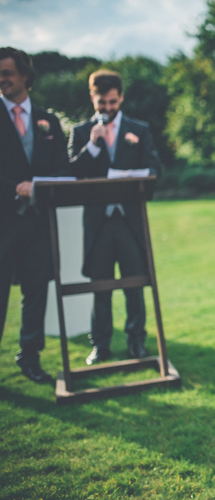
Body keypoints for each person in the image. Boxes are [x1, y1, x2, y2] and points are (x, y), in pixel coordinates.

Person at [68, 69, 161, 365]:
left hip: (130, 221)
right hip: (98, 224)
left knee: (134, 285)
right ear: (92, 99)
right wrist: (93, 145)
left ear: (120, 97)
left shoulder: (139, 129)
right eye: (101, 103)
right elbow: (70, 173)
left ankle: (136, 342)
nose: (106, 108)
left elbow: (154, 168)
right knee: (100, 287)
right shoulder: (82, 132)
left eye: (111, 102)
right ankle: (100, 345)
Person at [0, 47, 68, 383]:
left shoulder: (48, 120)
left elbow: (61, 168)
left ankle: (29, 357)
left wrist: (39, 185)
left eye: (7, 73)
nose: (1, 80)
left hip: (39, 222)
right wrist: (16, 187)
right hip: (3, 222)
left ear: (25, 76)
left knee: (36, 291)